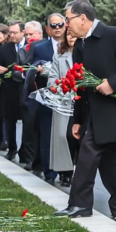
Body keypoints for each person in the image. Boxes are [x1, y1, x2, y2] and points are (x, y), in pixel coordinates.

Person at [54, 0, 116, 224]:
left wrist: (113, 83)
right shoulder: (81, 45)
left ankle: (80, 204)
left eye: (68, 19)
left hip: (115, 111)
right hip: (94, 113)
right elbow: (81, 84)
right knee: (110, 161)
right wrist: (77, 119)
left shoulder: (114, 35)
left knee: (87, 155)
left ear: (82, 18)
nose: (66, 24)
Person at [18, 20, 55, 175]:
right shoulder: (30, 49)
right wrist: (30, 71)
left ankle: (64, 171)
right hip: (35, 96)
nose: (28, 37)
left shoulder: (47, 46)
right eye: (26, 34)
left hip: (59, 93)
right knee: (36, 131)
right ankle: (38, 163)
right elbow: (26, 68)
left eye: (31, 34)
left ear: (41, 33)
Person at [46, 29, 78, 188]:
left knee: (79, 137)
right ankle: (66, 172)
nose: (71, 38)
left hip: (82, 101)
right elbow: (52, 79)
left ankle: (78, 171)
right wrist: (62, 85)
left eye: (74, 35)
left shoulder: (87, 53)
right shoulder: (59, 55)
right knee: (63, 136)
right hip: (63, 101)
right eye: (69, 35)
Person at [0, 22, 23, 159]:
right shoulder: (4, 49)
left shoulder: (30, 47)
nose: (12, 35)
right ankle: (12, 148)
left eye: (15, 32)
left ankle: (26, 153)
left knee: (29, 122)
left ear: (23, 32)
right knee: (9, 121)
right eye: (11, 32)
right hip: (9, 90)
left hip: (26, 89)